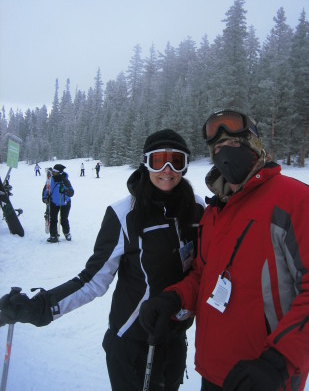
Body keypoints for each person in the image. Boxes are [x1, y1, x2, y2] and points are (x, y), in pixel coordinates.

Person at [139, 109, 309, 391]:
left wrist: (279, 360)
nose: (225, 153)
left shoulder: (298, 201)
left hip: (266, 377)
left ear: (254, 146)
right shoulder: (214, 212)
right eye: (218, 148)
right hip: (214, 372)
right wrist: (172, 299)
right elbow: (202, 277)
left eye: (233, 144)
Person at [0, 129, 204, 391]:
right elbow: (92, 281)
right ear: (145, 163)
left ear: (185, 166)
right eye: (157, 160)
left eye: (176, 161)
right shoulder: (124, 214)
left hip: (174, 341)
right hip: (132, 346)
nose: (167, 169)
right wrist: (42, 307)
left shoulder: (198, 209)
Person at [42, 164, 74, 243]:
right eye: (53, 171)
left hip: (65, 203)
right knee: (53, 219)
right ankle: (53, 235)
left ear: (60, 173)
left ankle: (67, 233)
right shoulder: (50, 180)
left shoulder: (65, 180)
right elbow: (46, 189)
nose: (53, 173)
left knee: (64, 219)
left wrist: (65, 191)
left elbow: (72, 192)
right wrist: (45, 198)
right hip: (53, 203)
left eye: (55, 172)